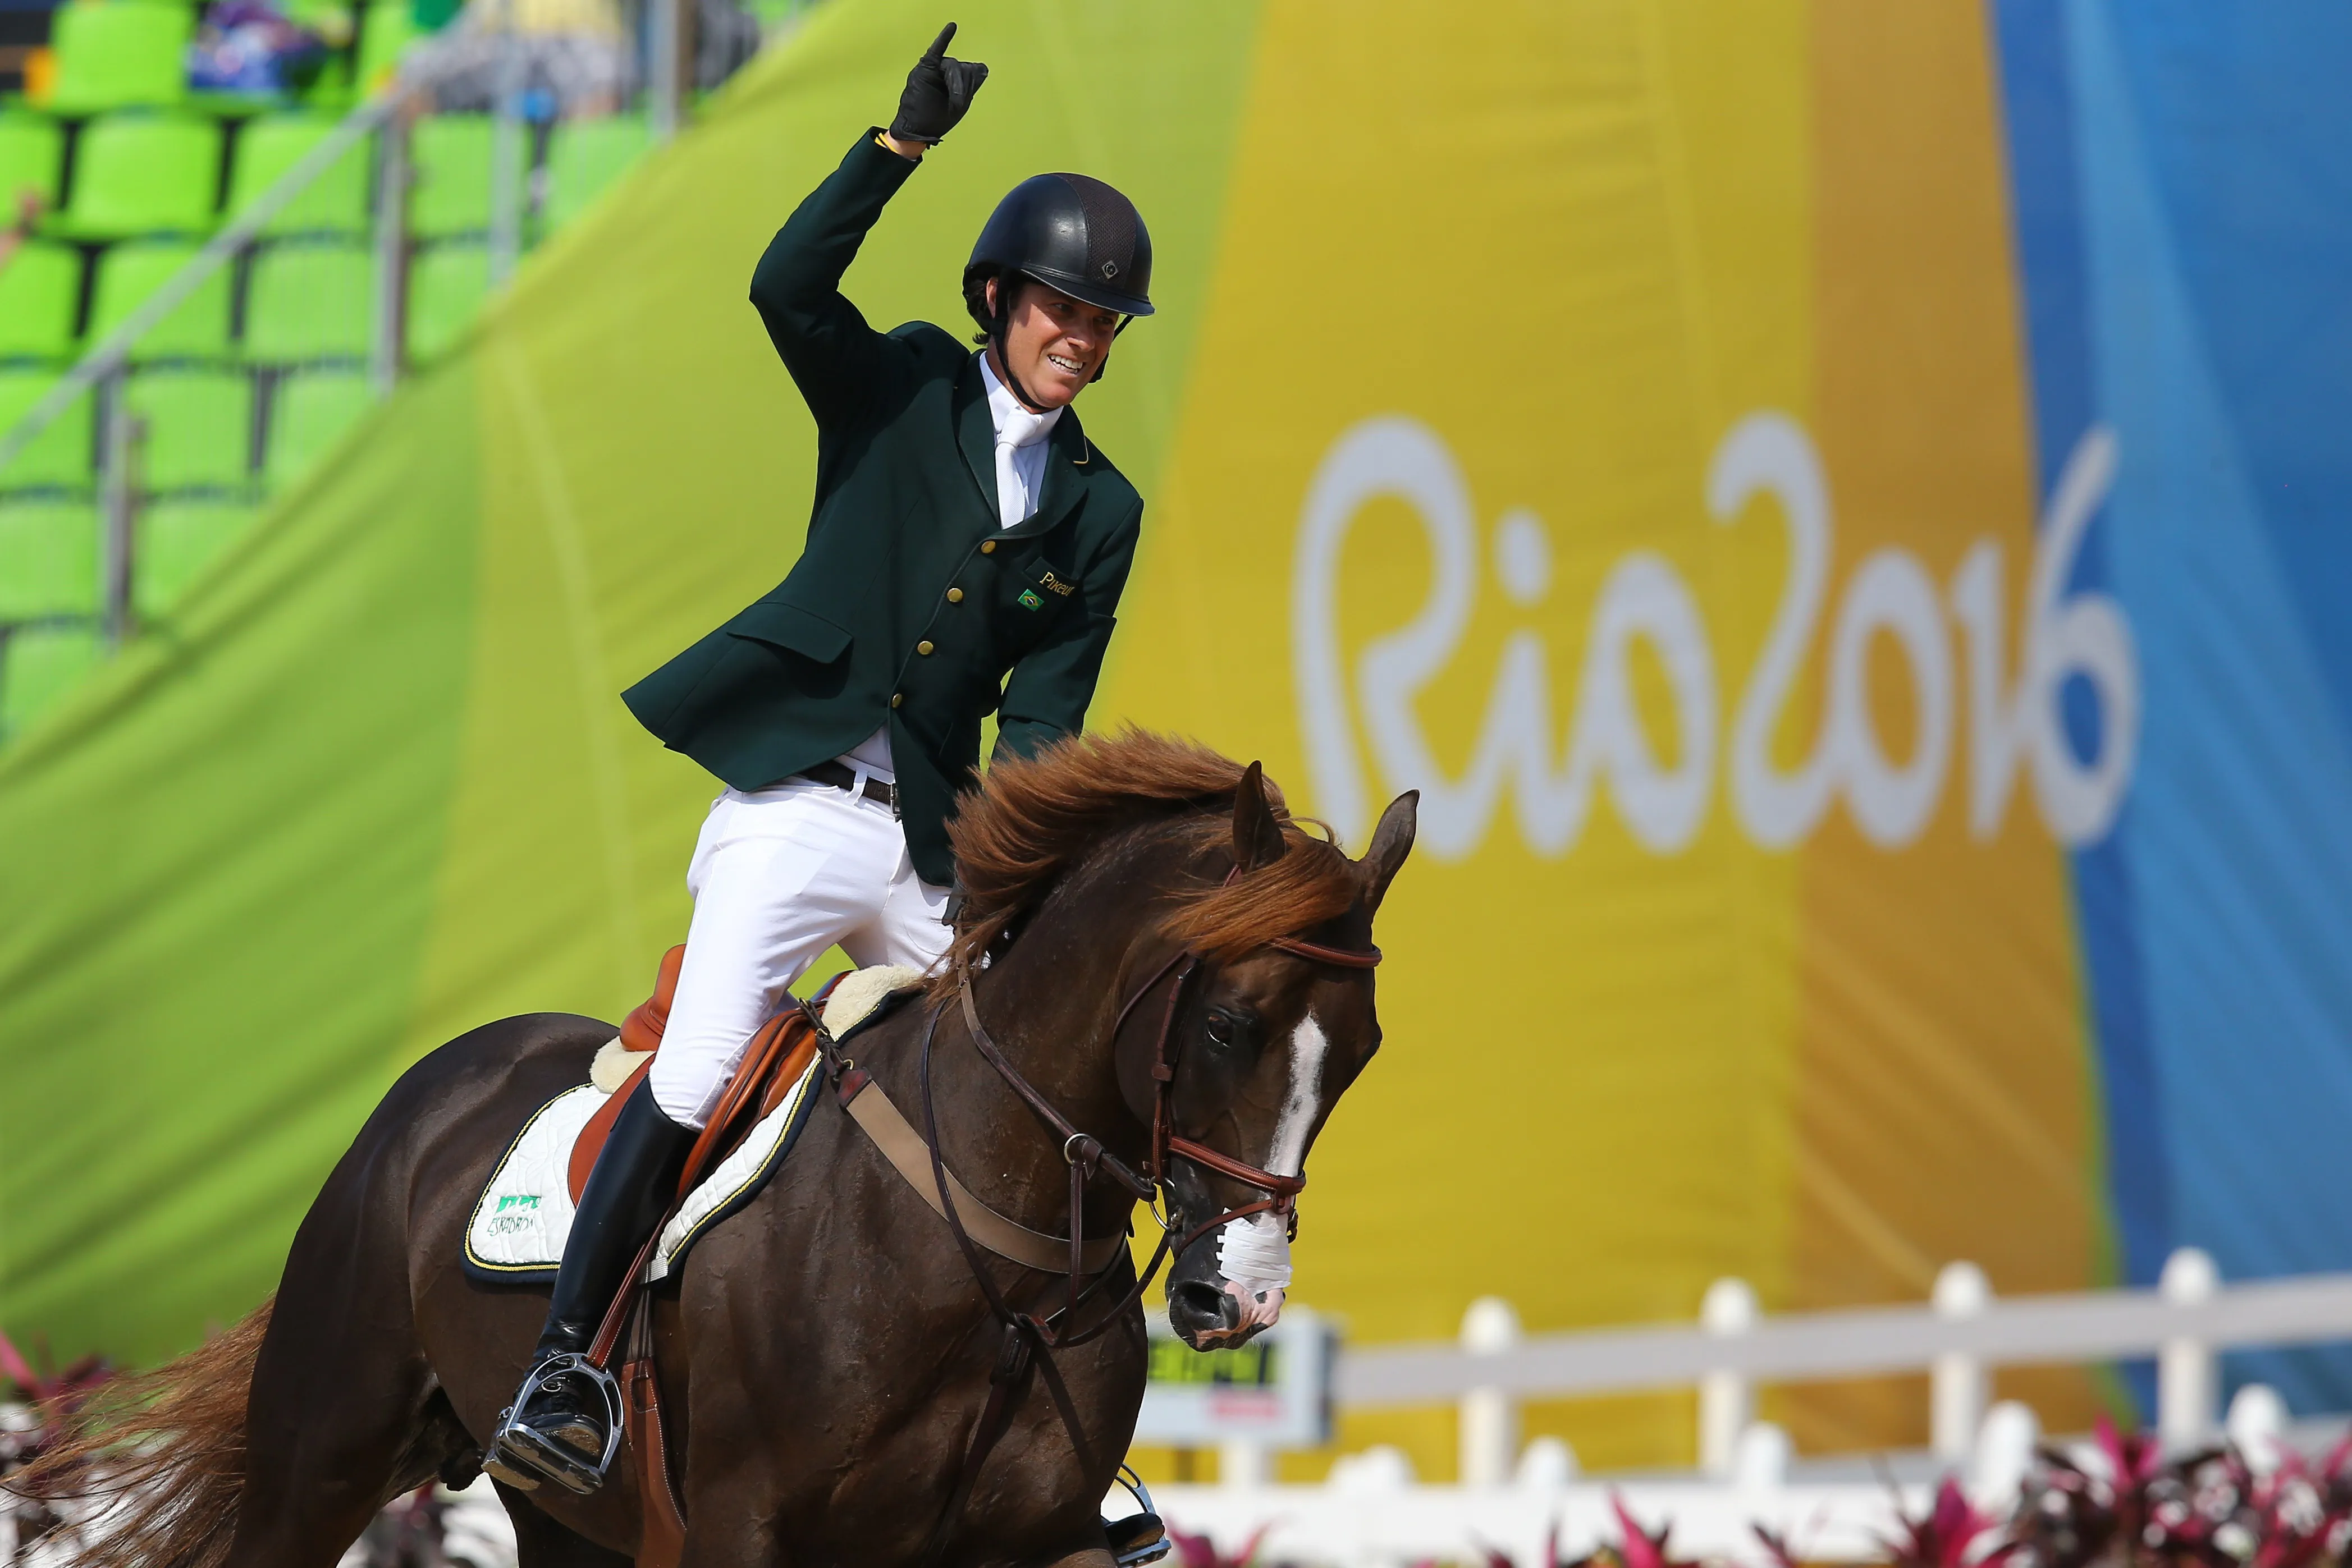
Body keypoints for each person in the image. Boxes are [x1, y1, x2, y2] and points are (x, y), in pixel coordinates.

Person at [487, 21, 1155, 1495]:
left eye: (1104, 325)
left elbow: (1041, 727)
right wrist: (895, 150)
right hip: (796, 810)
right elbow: (784, 285)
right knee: (705, 1066)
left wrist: (1015, 899)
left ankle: (1078, 1445)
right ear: (996, 301)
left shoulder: (1101, 511)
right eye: (1060, 312)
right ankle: (568, 1368)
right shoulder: (902, 386)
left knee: (1034, 1092)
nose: (1081, 340)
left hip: (928, 846)